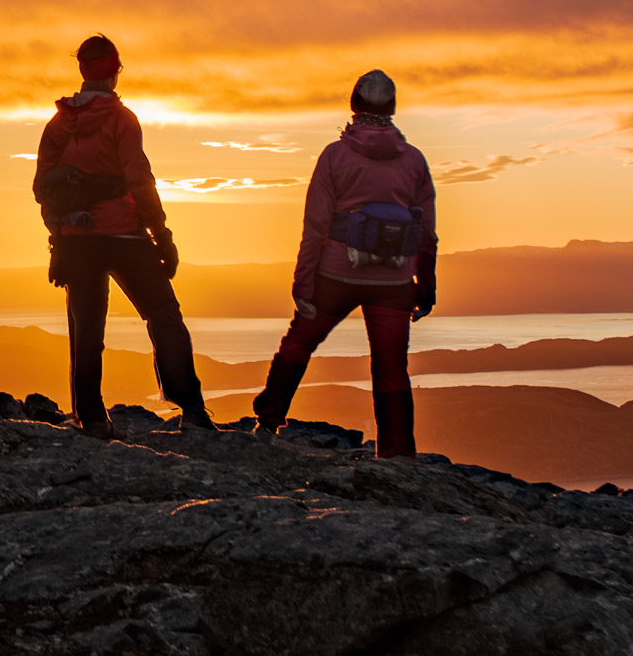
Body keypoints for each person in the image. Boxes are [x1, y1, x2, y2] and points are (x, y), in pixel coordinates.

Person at [251, 69, 437, 456]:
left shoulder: (335, 156)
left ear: (354, 105)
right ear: (393, 107)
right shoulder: (414, 160)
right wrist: (425, 288)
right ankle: (397, 454)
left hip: (336, 274)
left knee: (300, 342)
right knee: (391, 367)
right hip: (395, 279)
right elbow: (427, 232)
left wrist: (303, 284)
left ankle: (268, 422)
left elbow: (315, 225)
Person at [34, 35, 213, 436]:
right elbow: (139, 179)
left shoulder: (57, 125)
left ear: (82, 71)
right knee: (163, 316)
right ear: (114, 73)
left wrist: (58, 237)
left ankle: (92, 417)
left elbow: (42, 187)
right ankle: (193, 411)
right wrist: (161, 235)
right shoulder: (122, 119)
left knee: (86, 327)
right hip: (125, 234)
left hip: (77, 241)